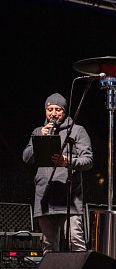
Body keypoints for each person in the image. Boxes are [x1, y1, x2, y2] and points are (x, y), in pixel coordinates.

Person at [23, 93, 93, 254]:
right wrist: (40, 135)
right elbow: (27, 158)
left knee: (75, 241)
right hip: (45, 195)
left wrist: (67, 161)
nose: (53, 113)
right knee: (48, 245)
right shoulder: (38, 131)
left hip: (69, 197)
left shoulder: (77, 131)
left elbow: (88, 160)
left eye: (58, 109)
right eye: (50, 109)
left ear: (65, 111)